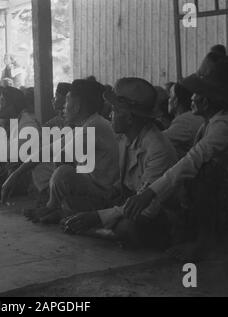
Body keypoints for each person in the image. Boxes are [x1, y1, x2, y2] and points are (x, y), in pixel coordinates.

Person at [123, 53, 228, 261]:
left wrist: (148, 194)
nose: (191, 97)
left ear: (207, 100)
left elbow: (191, 161)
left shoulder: (224, 127)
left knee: (202, 171)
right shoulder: (210, 124)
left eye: (197, 93)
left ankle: (204, 244)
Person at [63, 78, 178, 249]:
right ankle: (98, 227)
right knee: (72, 204)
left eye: (115, 110)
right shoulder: (125, 138)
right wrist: (113, 192)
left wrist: (97, 216)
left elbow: (147, 209)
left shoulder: (157, 149)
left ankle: (94, 231)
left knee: (128, 227)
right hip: (125, 204)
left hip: (156, 216)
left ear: (130, 118)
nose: (110, 115)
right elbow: (125, 185)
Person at [1, 80, 120, 224]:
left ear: (77, 106)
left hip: (104, 193)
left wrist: (16, 175)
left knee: (63, 172)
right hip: (93, 187)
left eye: (66, 102)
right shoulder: (87, 125)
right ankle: (58, 210)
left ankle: (51, 207)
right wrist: (16, 174)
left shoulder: (94, 126)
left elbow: (60, 155)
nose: (63, 107)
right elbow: (48, 149)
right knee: (52, 165)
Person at [163, 83, 205, 159]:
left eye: (170, 96)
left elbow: (156, 142)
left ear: (175, 101)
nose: (168, 100)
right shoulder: (194, 117)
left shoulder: (184, 121)